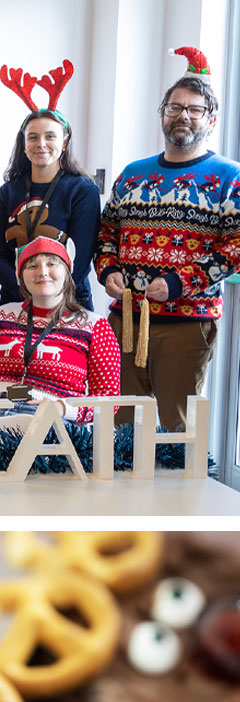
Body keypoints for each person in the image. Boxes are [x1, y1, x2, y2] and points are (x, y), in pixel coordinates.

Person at [94, 51, 240, 430]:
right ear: (163, 113)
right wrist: (106, 268)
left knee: (176, 426)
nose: (183, 116)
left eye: (194, 109)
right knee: (120, 425)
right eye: (175, 107)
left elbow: (235, 249)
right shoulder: (133, 173)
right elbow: (107, 232)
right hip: (125, 319)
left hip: (186, 325)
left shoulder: (229, 176)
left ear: (211, 119)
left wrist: (179, 283)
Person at [0, 237, 120, 423]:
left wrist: (61, 409)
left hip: (54, 420)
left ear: (67, 273)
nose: (43, 272)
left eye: (52, 263)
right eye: (32, 266)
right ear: (21, 276)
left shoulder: (95, 326)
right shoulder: (2, 315)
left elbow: (108, 399)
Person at [0, 107, 99, 310]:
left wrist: (47, 297)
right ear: (23, 144)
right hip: (15, 304)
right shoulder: (6, 193)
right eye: (33, 137)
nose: (41, 144)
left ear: (64, 142)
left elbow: (81, 259)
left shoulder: (83, 191)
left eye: (50, 136)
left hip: (68, 305)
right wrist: (26, 292)